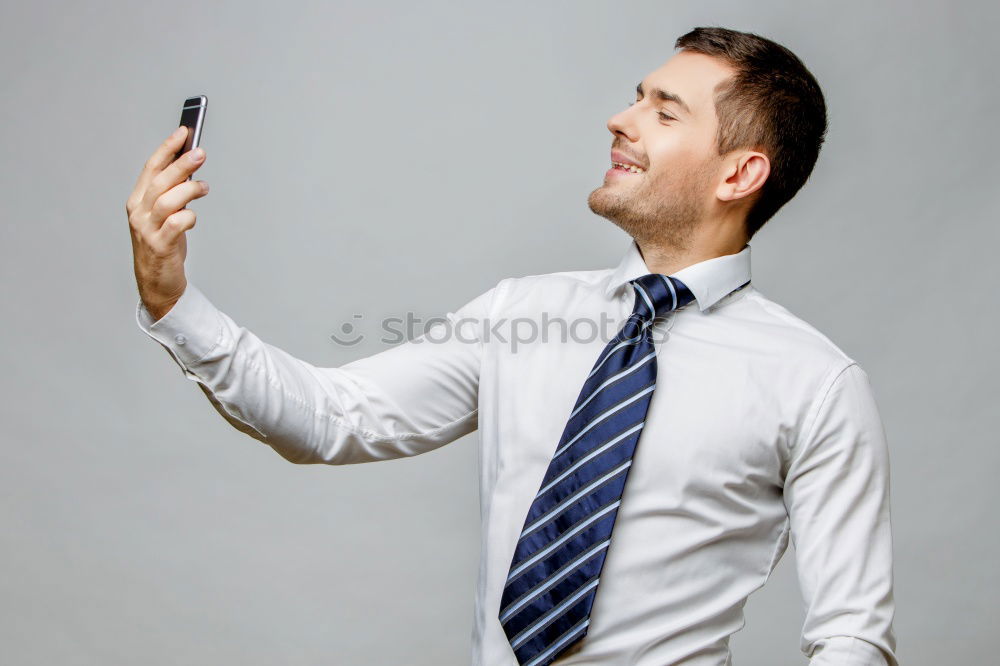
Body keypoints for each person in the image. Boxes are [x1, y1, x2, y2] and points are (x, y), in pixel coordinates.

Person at [125, 26, 897, 666]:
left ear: (741, 173)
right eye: (637, 96)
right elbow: (331, 418)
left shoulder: (816, 384)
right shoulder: (519, 313)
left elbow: (853, 634)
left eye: (665, 112)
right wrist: (172, 298)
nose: (621, 120)